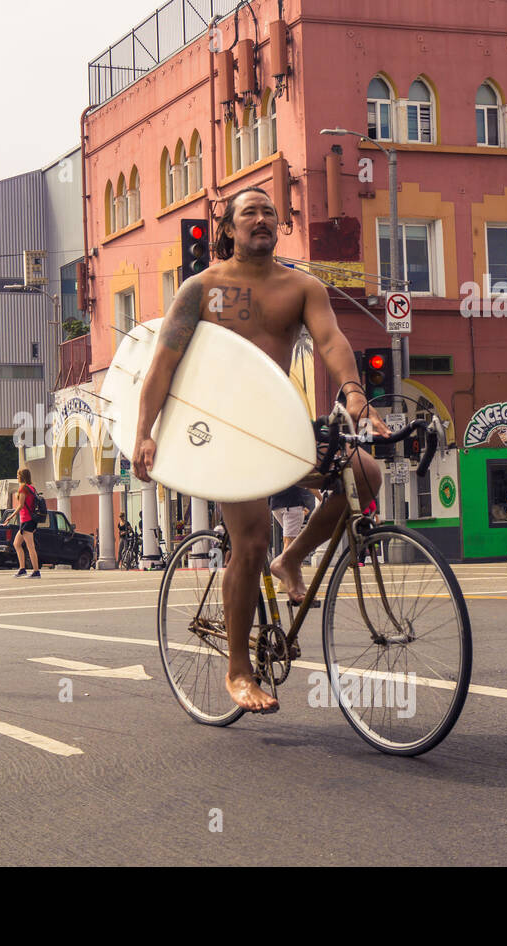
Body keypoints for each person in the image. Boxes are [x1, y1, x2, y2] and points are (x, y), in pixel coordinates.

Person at [133, 186, 388, 714]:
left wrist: (355, 393)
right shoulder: (201, 289)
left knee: (364, 473)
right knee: (247, 542)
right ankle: (238, 671)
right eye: (249, 212)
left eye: (270, 212)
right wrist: (144, 431)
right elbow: (162, 365)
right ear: (227, 228)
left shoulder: (301, 287)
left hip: (282, 425)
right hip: (223, 431)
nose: (262, 219)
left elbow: (332, 342)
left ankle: (292, 558)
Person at [267, 484, 320, 581]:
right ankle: (283, 574)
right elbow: (309, 484)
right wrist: (322, 499)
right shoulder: (296, 469)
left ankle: (293, 568)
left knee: (289, 539)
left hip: (276, 505)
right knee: (289, 542)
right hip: (292, 505)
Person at [3, 467, 41, 578]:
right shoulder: (32, 488)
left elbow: (21, 505)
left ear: (22, 476)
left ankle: (36, 571)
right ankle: (22, 568)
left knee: (30, 547)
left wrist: (10, 517)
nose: (17, 477)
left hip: (27, 520)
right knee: (16, 544)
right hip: (29, 520)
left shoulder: (23, 488)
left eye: (18, 475)